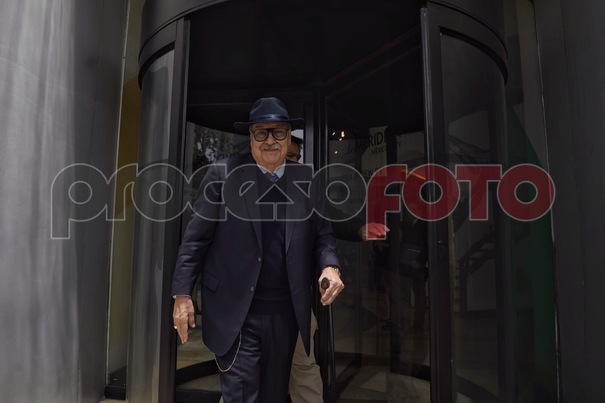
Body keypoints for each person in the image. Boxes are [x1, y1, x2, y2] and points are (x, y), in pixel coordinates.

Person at [171, 97, 345, 403]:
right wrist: (182, 294)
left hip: (286, 313)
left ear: (289, 137)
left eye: (278, 132)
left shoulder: (308, 181)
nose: (270, 140)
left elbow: (323, 236)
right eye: (261, 132)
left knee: (273, 396)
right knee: (241, 396)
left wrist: (330, 267)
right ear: (251, 137)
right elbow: (195, 240)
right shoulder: (223, 174)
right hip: (237, 312)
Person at [285, 136, 389, 403]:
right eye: (289, 157)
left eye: (296, 157)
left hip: (295, 300)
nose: (294, 163)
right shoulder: (244, 191)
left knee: (304, 366)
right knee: (250, 375)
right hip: (252, 306)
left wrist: (358, 228)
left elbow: (327, 220)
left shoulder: (305, 191)